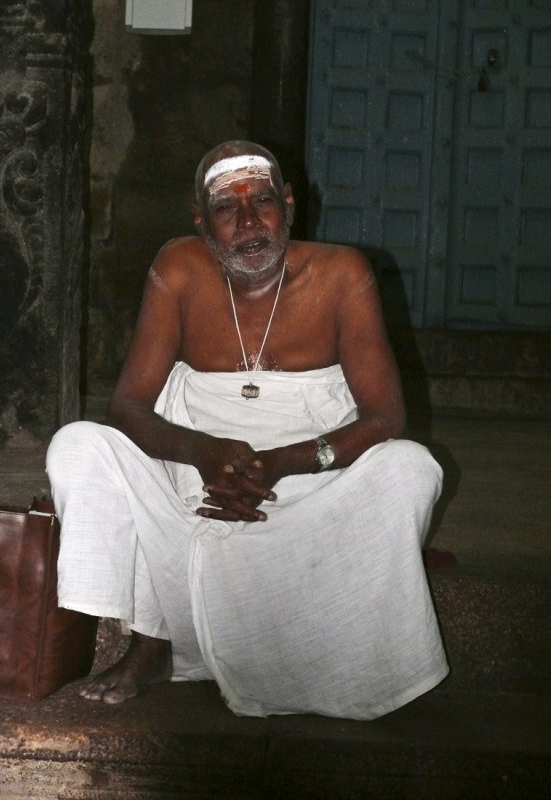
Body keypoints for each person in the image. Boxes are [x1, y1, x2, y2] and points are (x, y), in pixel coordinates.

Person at [47, 140, 448, 720]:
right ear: (202, 223)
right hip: (194, 490)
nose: (249, 222)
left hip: (310, 491)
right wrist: (203, 453)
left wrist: (282, 462)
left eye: (262, 201)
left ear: (288, 204)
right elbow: (129, 406)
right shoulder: (179, 269)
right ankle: (153, 641)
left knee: (411, 467)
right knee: (77, 445)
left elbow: (386, 417)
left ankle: (338, 651)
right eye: (226, 208)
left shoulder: (341, 275)